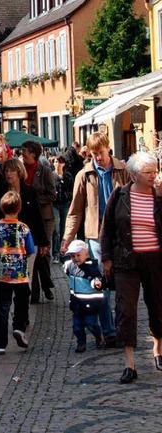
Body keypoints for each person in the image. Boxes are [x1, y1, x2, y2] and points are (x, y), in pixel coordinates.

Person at [61, 132, 130, 348]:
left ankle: (122, 330)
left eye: (100, 153)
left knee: (123, 285)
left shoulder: (123, 171)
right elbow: (75, 211)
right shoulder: (85, 175)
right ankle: (109, 333)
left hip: (121, 235)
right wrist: (67, 239)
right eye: (93, 154)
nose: (97, 158)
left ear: (108, 148)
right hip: (96, 237)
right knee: (101, 286)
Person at [100, 152, 162, 384]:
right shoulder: (120, 195)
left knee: (157, 304)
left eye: (154, 172)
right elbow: (107, 227)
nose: (152, 177)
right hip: (126, 260)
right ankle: (129, 363)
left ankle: (158, 348)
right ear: (134, 175)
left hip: (155, 259)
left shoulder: (159, 195)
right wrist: (106, 258)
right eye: (147, 173)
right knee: (126, 309)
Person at [0, 191, 34, 355]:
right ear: (19, 208)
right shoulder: (24, 228)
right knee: (22, 302)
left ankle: (0, 344)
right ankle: (19, 327)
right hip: (20, 275)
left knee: (1, 308)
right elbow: (30, 250)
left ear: (1, 207)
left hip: (1, 275)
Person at [0, 158, 49, 272]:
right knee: (7, 275)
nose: (8, 174)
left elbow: (37, 217)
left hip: (28, 239)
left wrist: (43, 242)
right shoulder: (0, 192)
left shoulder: (29, 191)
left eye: (12, 171)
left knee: (27, 276)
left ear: (19, 172)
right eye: (6, 171)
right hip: (6, 240)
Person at [21, 140, 56, 303]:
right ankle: (37, 289)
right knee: (32, 252)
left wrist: (34, 199)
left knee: (43, 252)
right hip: (28, 217)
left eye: (25, 152)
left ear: (33, 154)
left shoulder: (44, 171)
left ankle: (46, 285)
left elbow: (52, 194)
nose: (22, 154)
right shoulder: (20, 170)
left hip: (45, 217)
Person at [63, 240, 104, 353]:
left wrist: (96, 283)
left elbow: (95, 278)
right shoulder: (71, 266)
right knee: (77, 326)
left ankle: (99, 337)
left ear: (86, 255)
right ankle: (81, 343)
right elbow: (66, 268)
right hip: (77, 303)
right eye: (73, 256)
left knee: (91, 323)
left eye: (78, 255)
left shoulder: (91, 268)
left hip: (90, 303)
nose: (75, 258)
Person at [52, 155, 74, 263]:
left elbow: (72, 190)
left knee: (64, 229)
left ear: (63, 164)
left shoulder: (68, 176)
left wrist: (67, 196)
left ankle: (63, 252)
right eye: (56, 162)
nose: (57, 164)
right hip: (54, 205)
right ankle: (55, 253)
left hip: (65, 204)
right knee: (56, 230)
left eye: (60, 162)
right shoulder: (51, 176)